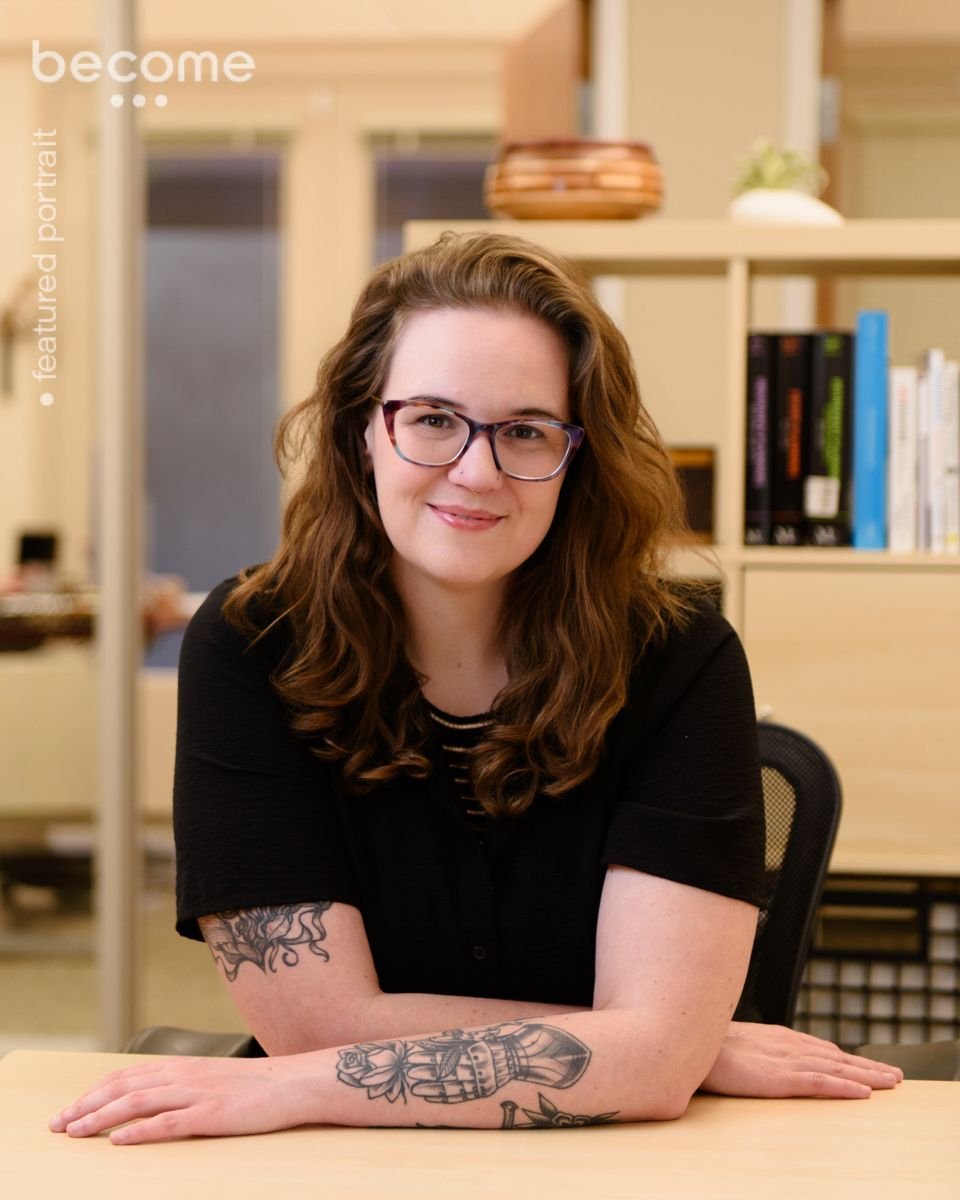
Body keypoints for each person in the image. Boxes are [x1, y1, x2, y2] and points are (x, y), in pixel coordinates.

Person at [50, 231, 901, 1145]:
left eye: (526, 430)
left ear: (579, 458)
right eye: (432, 419)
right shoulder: (254, 644)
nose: (476, 470)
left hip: (622, 1162)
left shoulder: (679, 655)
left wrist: (661, 1050)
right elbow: (314, 1031)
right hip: (339, 1156)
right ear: (364, 430)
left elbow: (648, 1060)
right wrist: (659, 1048)